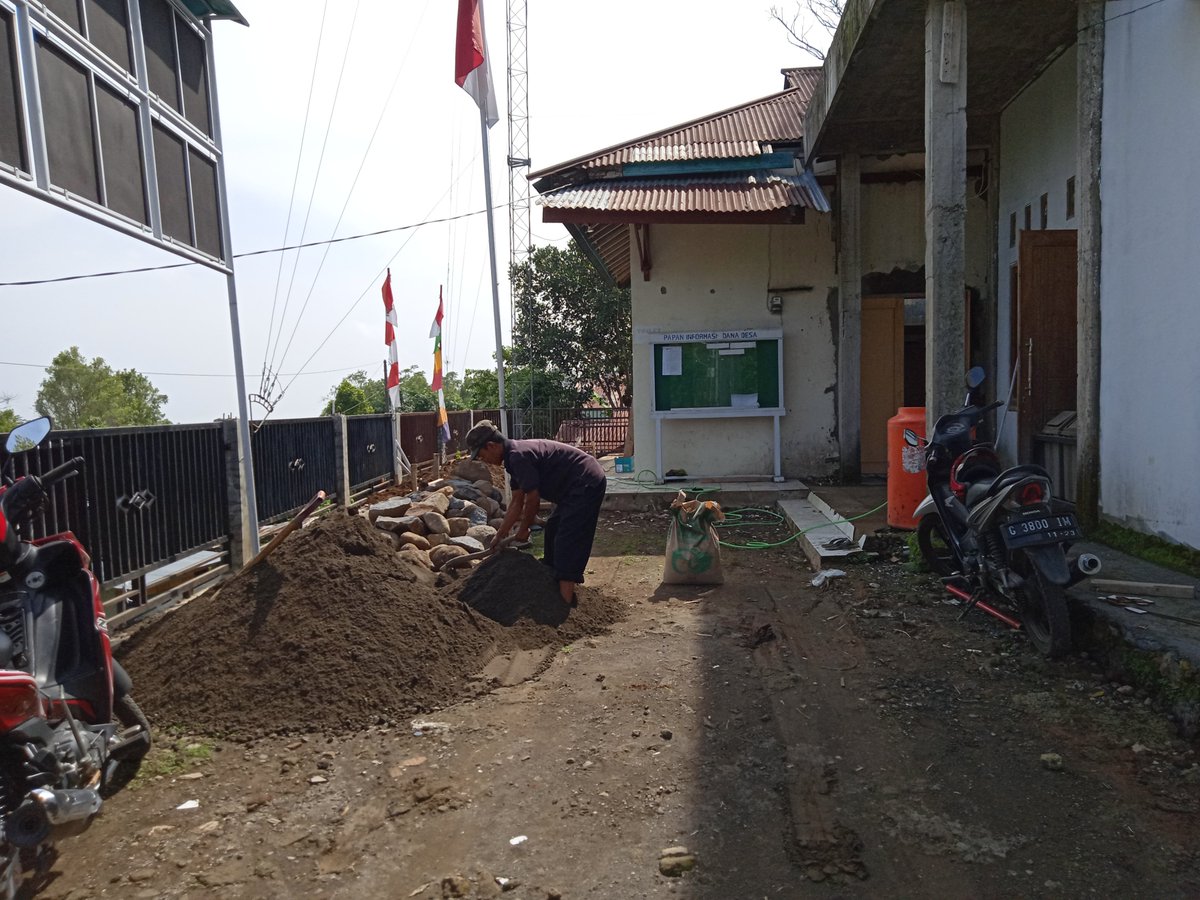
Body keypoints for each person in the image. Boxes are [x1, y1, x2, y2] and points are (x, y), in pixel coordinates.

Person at [465, 420, 607, 606]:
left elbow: (533, 499)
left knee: (567, 539)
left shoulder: (517, 456)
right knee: (553, 530)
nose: (484, 461)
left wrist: (524, 528)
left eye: (482, 455)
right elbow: (517, 502)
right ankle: (552, 586)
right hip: (571, 489)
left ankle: (563, 605)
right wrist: (499, 535)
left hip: (586, 482)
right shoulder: (512, 460)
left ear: (491, 446)